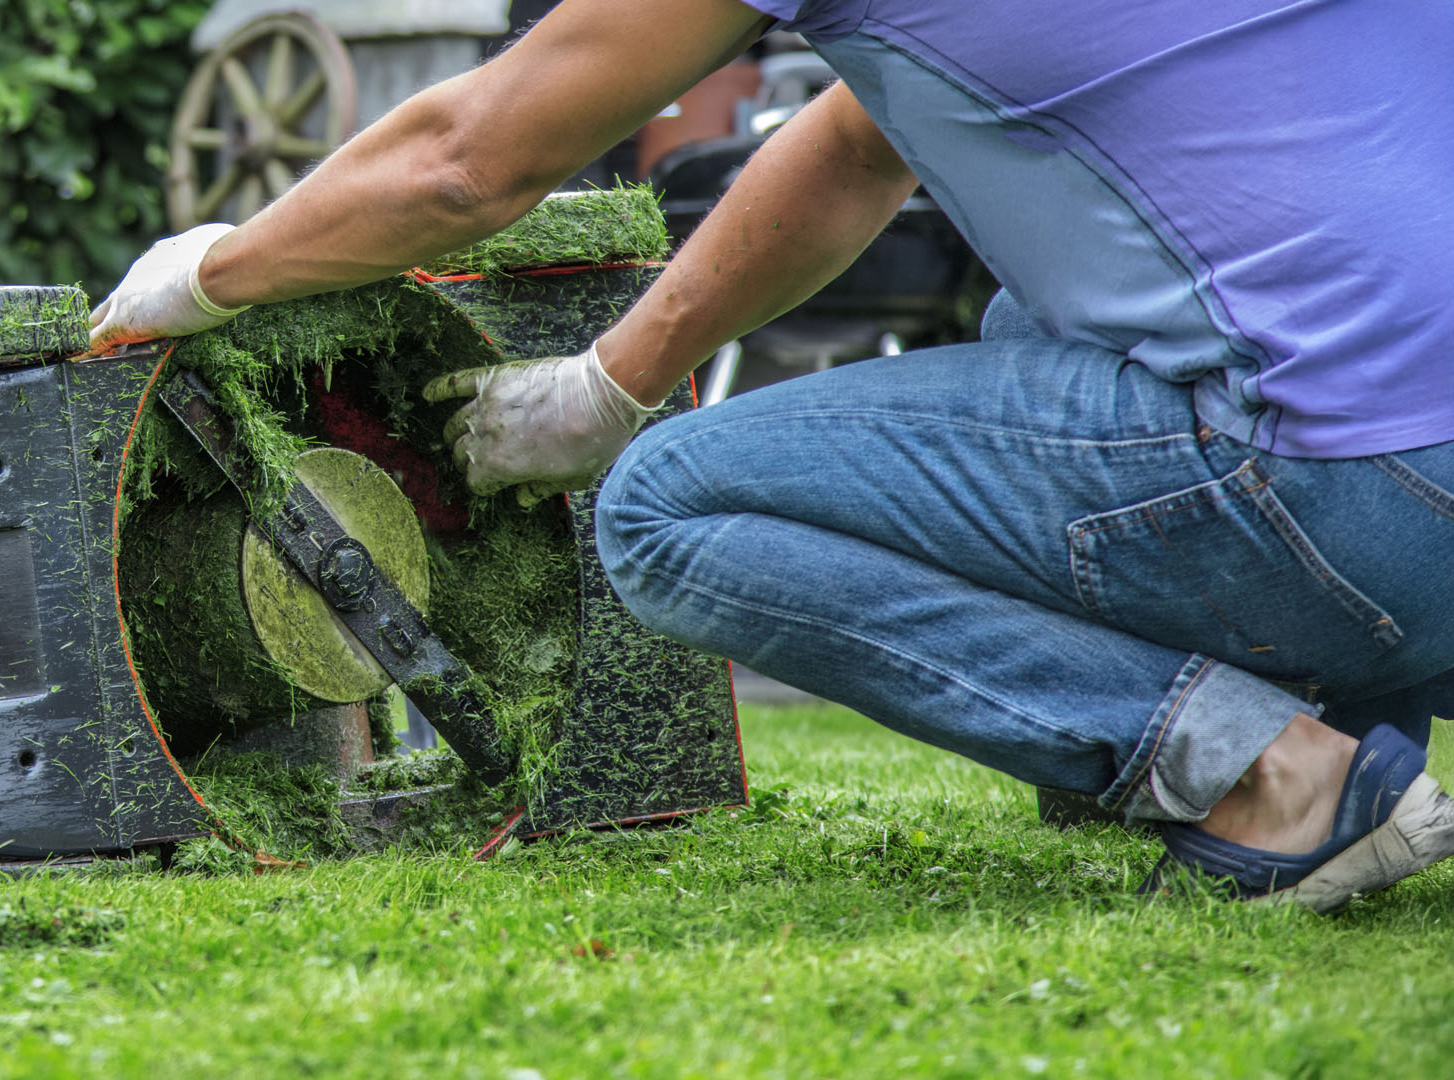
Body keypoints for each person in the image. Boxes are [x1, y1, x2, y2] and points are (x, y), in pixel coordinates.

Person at [87, 0, 1454, 910]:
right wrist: (614, 381)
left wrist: (215, 270)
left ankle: (1276, 776)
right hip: (1414, 467)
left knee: (671, 508)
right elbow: (863, 143)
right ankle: (1370, 716)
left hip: (1352, 486)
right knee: (1042, 310)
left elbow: (463, 164)